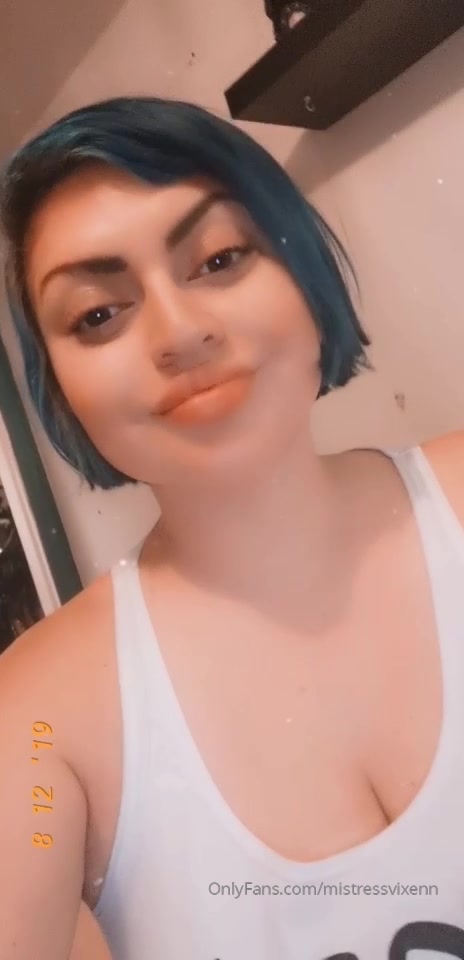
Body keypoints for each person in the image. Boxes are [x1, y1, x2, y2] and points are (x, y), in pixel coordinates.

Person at [1, 95, 464, 960]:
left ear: (301, 266)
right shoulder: (34, 720)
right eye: (98, 314)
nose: (180, 332)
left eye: (218, 258)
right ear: (59, 388)